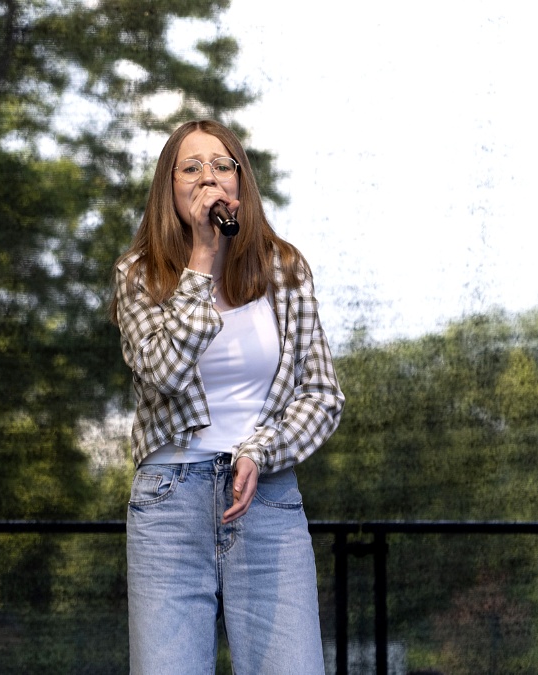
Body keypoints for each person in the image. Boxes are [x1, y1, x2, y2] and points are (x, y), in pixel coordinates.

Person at [110, 119, 345, 674]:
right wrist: (201, 260)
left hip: (266, 499)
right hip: (170, 503)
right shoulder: (139, 275)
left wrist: (260, 450)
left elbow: (321, 393)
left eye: (221, 165)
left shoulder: (284, 269)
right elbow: (162, 372)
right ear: (169, 188)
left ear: (240, 183)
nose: (208, 178)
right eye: (190, 168)